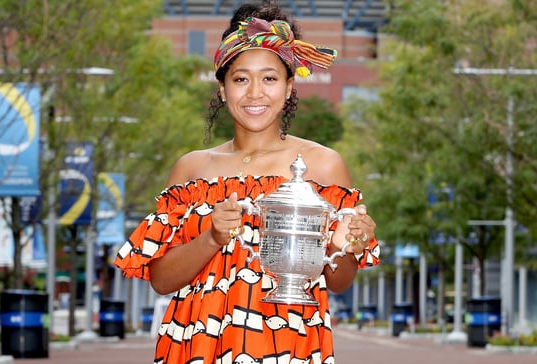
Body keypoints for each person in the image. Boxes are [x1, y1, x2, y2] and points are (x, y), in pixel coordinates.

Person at [115, 2, 380, 363]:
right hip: (196, 344)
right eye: (241, 79)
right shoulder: (191, 170)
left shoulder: (323, 165)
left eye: (269, 78)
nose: (255, 92)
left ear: (289, 87)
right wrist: (212, 237)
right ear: (223, 89)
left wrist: (345, 244)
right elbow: (161, 280)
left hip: (288, 345)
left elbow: (339, 281)